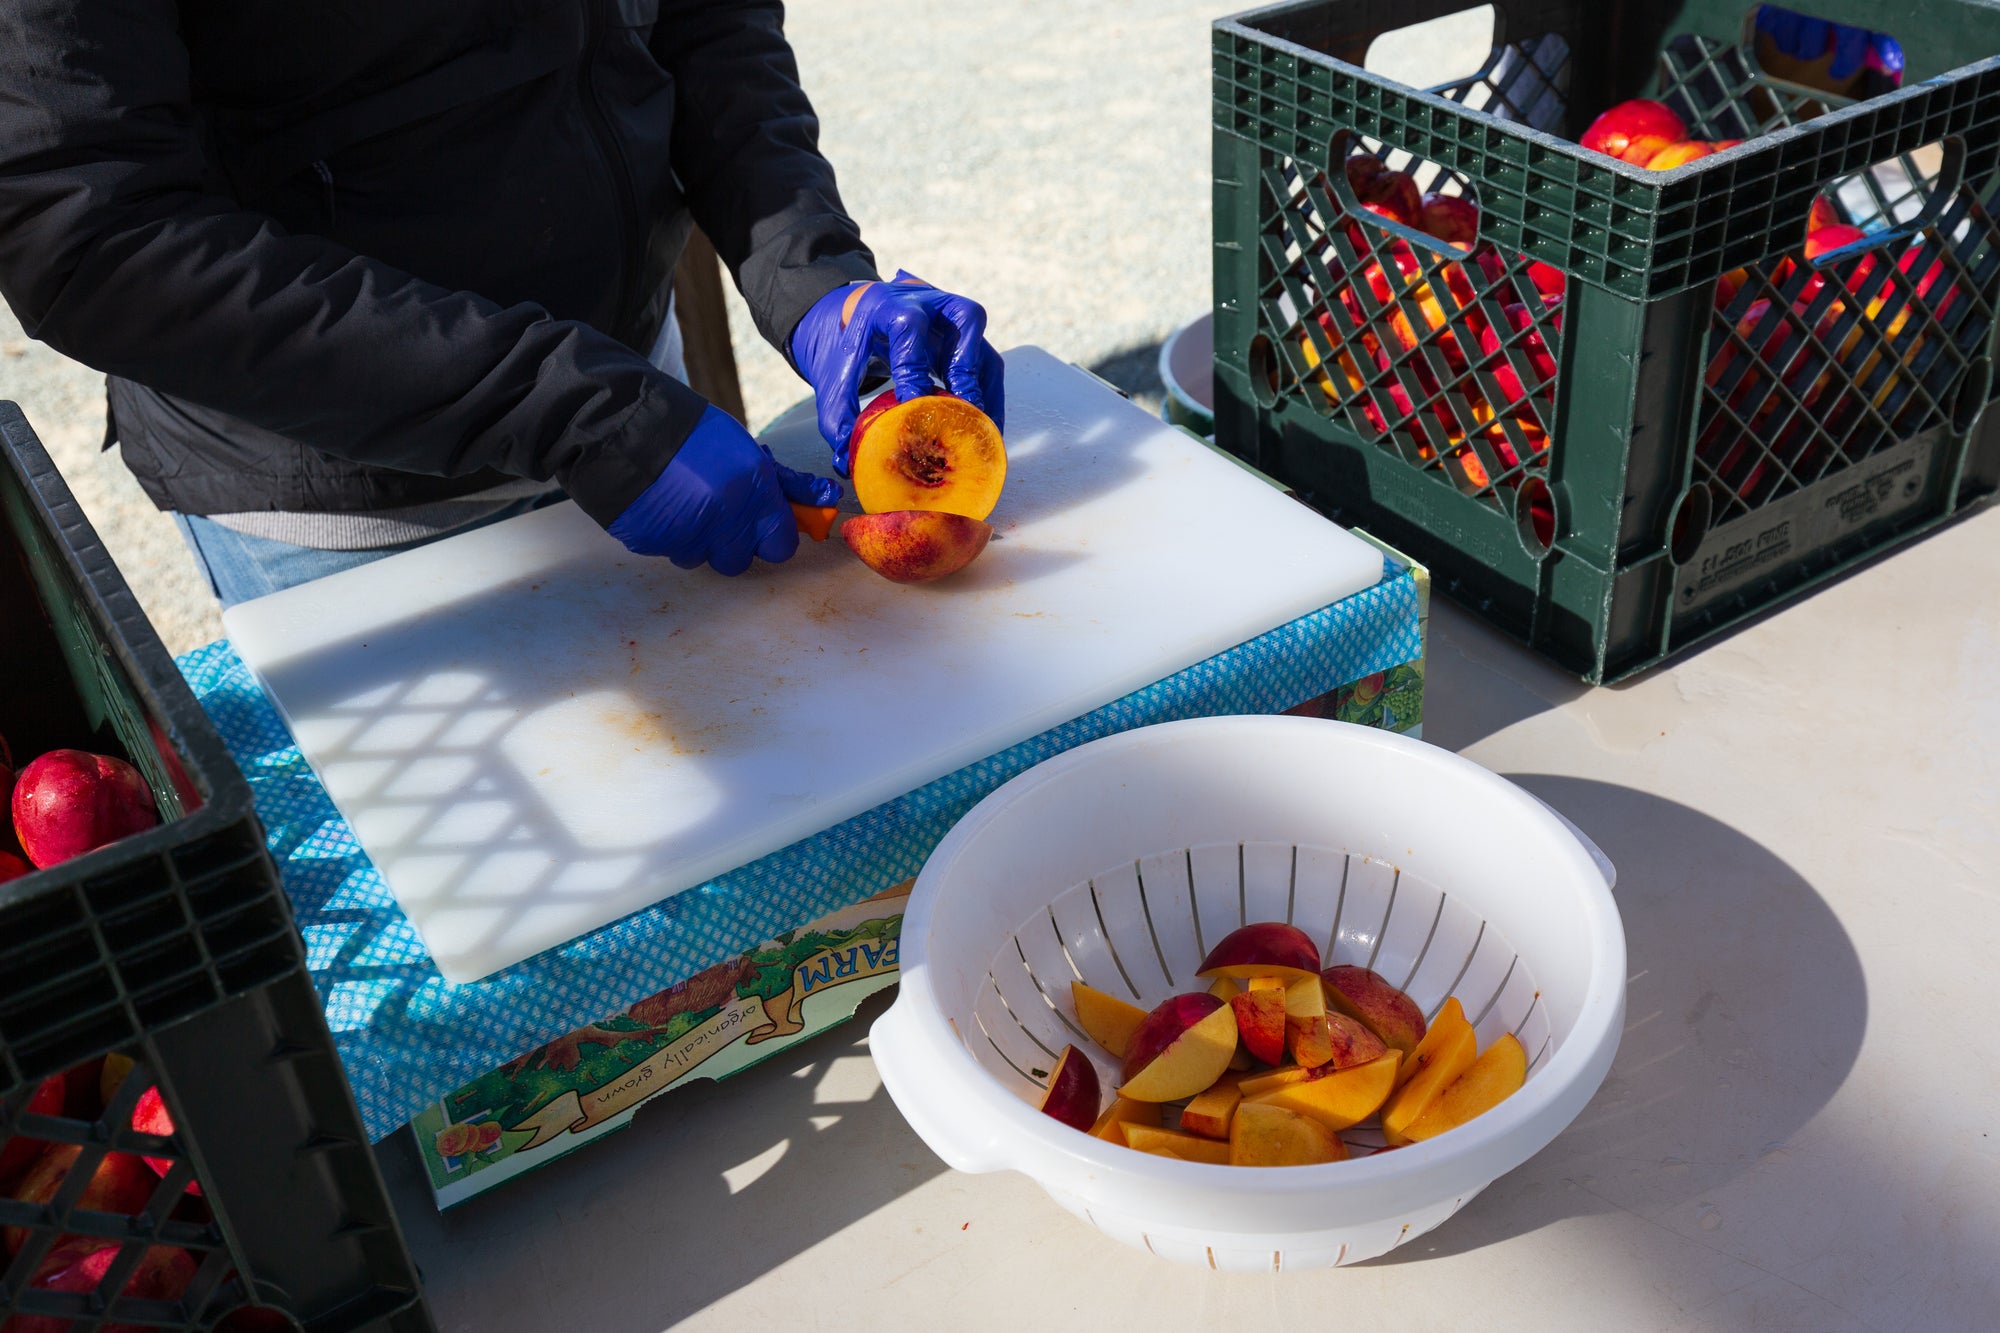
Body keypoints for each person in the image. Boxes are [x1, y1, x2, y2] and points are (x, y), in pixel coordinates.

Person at [0, 1, 1003, 605]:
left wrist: (810, 268)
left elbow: (702, 21)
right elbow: (87, 229)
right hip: (348, 514)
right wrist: (567, 408)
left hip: (639, 409)